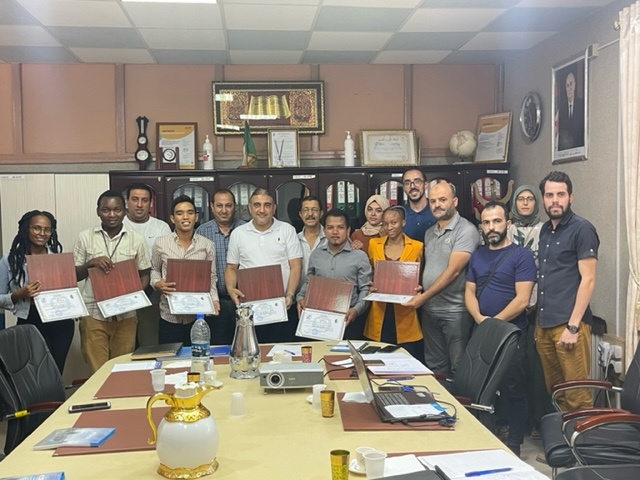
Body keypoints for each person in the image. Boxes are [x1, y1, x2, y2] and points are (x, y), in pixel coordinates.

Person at [465, 201, 536, 457]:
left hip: (511, 334)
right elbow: (469, 292)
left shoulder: (521, 255)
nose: (491, 227)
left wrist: (493, 324)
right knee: (481, 387)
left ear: (508, 223)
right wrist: (479, 319)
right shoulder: (477, 255)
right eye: (486, 222)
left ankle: (514, 443)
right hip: (481, 330)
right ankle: (486, 438)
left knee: (513, 387)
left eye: (496, 221)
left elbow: (522, 300)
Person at [403, 181, 480, 376]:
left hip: (455, 312)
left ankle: (460, 398)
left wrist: (423, 297)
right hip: (430, 311)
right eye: (433, 201)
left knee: (459, 368)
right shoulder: (429, 233)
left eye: (443, 200)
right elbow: (429, 269)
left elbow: (454, 270)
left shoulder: (466, 230)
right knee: (435, 368)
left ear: (455, 201)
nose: (437, 205)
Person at [536, 171, 599, 412]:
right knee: (556, 393)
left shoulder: (582, 229)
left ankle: (582, 438)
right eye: (549, 195)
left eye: (561, 194)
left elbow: (588, 280)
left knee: (577, 397)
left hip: (569, 326)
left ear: (570, 197)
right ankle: (564, 438)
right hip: (545, 326)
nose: (555, 200)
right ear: (543, 198)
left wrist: (573, 327)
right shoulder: (545, 230)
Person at [74, 190, 150, 373]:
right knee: (97, 372)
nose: (111, 214)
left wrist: (133, 298)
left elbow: (145, 275)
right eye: (105, 210)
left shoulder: (137, 239)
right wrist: (91, 263)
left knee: (122, 371)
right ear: (98, 211)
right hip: (93, 313)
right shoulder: (85, 237)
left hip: (126, 316)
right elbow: (74, 275)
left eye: (117, 210)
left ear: (124, 211)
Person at [0, 211, 74, 374]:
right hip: (30, 321)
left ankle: (57, 393)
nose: (42, 233)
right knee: (39, 373)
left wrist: (74, 307)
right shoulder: (10, 260)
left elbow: (68, 292)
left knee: (56, 371)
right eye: (37, 228)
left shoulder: (58, 259)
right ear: (26, 229)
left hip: (61, 322)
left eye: (47, 229)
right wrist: (19, 294)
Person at [225, 188, 302, 343]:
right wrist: (231, 289)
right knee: (252, 350)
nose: (262, 210)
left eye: (267, 205)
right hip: (249, 308)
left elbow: (295, 266)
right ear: (249, 207)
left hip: (282, 306)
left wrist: (290, 295)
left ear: (274, 208)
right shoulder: (238, 233)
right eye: (257, 205)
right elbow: (231, 268)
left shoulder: (287, 230)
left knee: (282, 352)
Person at [507, 184, 552, 440]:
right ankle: (516, 422)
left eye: (530, 199)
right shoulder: (506, 229)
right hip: (511, 306)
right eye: (520, 199)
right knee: (514, 369)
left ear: (536, 203)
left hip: (538, 307)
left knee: (536, 370)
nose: (525, 203)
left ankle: (538, 422)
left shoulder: (545, 230)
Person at [151, 195, 219, 345]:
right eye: (179, 213)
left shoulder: (207, 245)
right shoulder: (160, 243)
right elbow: (154, 270)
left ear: (196, 217)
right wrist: (157, 283)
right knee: (169, 357)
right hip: (169, 316)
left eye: (190, 212)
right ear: (172, 218)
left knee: (197, 355)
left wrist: (214, 300)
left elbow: (211, 277)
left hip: (197, 317)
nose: (185, 217)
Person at [297, 209, 371, 340]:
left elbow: (365, 289)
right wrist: (300, 297)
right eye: (330, 227)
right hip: (318, 320)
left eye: (340, 227)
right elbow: (309, 282)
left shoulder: (359, 256)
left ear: (348, 230)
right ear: (324, 231)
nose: (335, 232)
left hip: (348, 320)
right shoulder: (316, 255)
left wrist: (356, 310)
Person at [364, 206, 423, 359]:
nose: (389, 227)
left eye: (394, 222)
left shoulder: (417, 247)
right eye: (385, 223)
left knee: (405, 359)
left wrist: (419, 288)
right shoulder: (374, 244)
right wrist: (371, 285)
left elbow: (421, 275)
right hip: (379, 309)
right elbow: (370, 272)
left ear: (403, 222)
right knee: (378, 359)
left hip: (405, 311)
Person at [123, 183, 171, 347]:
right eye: (135, 199)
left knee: (149, 344)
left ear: (150, 203)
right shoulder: (118, 225)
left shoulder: (161, 227)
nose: (139, 204)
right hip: (123, 294)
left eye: (144, 200)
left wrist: (150, 285)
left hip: (153, 294)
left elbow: (166, 262)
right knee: (125, 346)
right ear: (127, 201)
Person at [196, 189, 246, 345]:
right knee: (219, 348)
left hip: (244, 301)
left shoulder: (246, 230)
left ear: (235, 206)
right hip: (215, 304)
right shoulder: (202, 232)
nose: (224, 210)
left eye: (228, 205)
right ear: (212, 207)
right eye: (219, 206)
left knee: (245, 346)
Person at [297, 195, 325, 292]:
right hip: (298, 296)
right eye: (305, 210)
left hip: (324, 293)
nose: (310, 214)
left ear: (321, 213)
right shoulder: (294, 240)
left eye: (314, 210)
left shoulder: (330, 239)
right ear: (300, 214)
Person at [401, 168, 436, 242]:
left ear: (425, 185)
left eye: (417, 181)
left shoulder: (437, 210)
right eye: (407, 183)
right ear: (403, 188)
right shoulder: (399, 214)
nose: (412, 186)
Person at [557, 70, 585, 151]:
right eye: (567, 85)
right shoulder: (561, 109)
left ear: (575, 85)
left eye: (571, 84)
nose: (569, 88)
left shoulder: (581, 105)